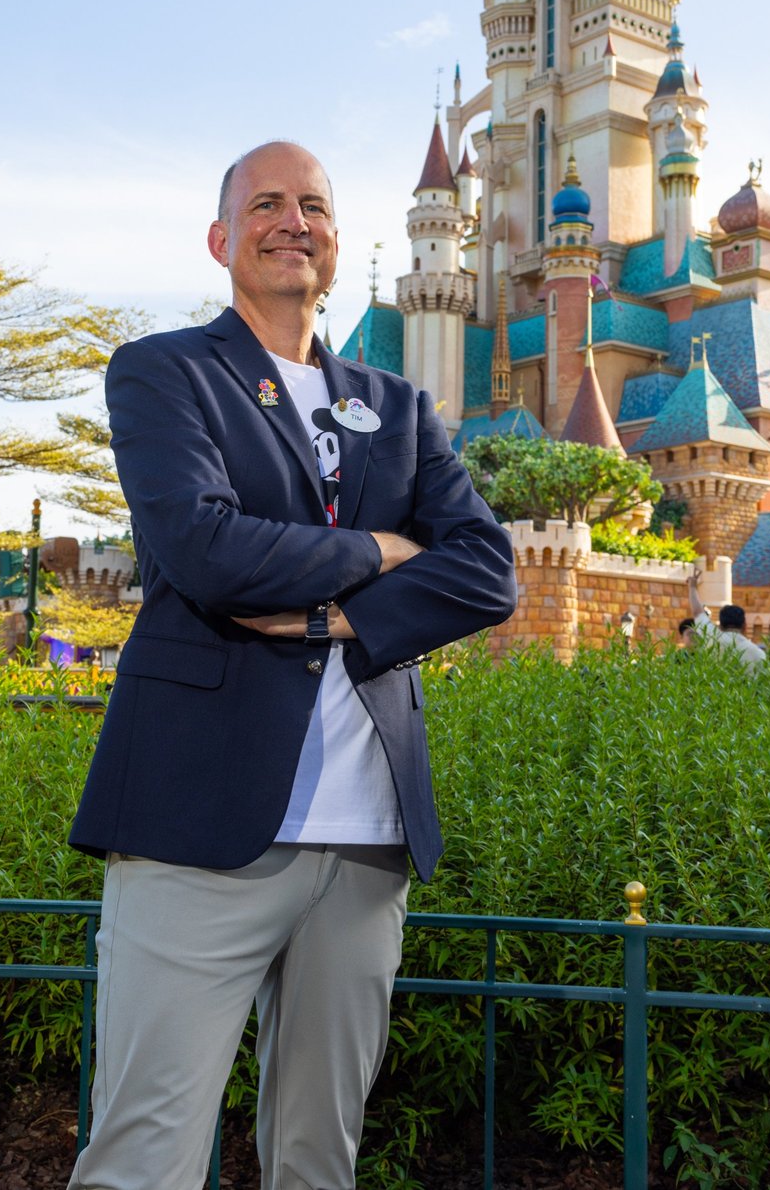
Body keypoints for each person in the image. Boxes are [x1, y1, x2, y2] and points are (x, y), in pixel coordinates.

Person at [66, 140, 518, 1190]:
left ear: (336, 236)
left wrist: (329, 619)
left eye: (311, 204)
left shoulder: (395, 405)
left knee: (320, 1159)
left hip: (363, 849)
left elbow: (489, 572)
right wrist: (380, 552)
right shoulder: (166, 372)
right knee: (145, 1153)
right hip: (198, 824)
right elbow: (205, 551)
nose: (291, 221)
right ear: (224, 239)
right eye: (265, 204)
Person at [686, 571, 766, 668]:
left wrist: (692, 587)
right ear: (744, 625)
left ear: (720, 626)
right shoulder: (758, 654)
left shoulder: (711, 635)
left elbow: (697, 612)